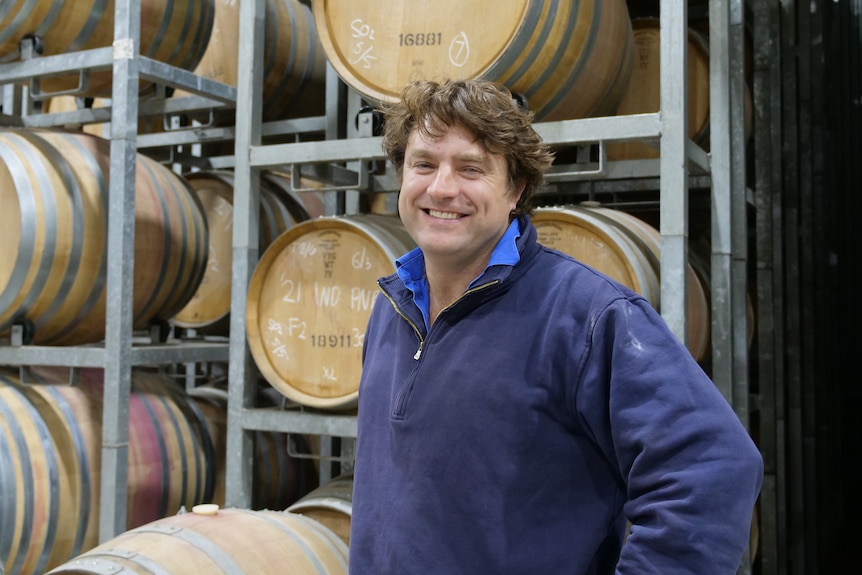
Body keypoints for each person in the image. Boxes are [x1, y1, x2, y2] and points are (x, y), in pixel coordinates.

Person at [349, 78, 763, 574]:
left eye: (471, 168)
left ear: (516, 190)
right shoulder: (392, 308)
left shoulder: (587, 316)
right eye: (423, 164)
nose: (441, 187)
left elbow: (712, 469)